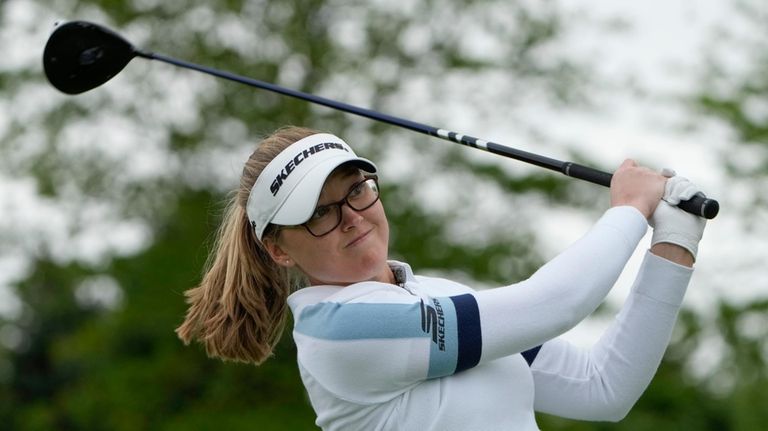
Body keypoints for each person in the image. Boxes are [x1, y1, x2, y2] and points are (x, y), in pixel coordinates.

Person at [176, 125, 707, 430]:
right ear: (278, 249)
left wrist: (673, 242)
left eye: (356, 189)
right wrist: (630, 210)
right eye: (319, 212)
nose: (352, 216)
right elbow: (558, 301)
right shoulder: (338, 333)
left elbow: (601, 388)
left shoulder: (443, 296)